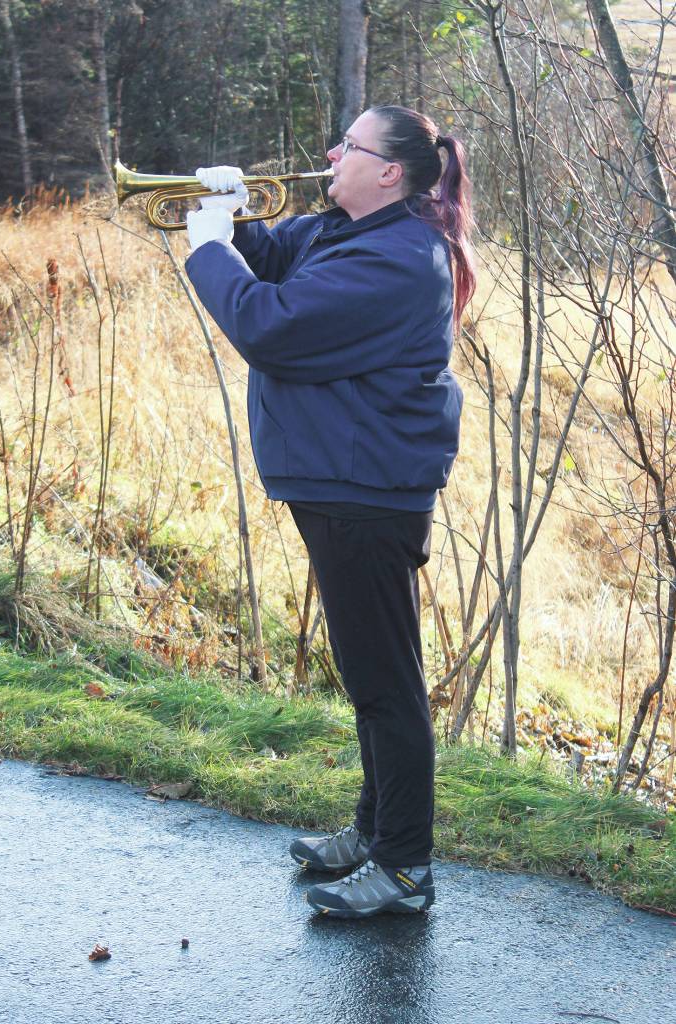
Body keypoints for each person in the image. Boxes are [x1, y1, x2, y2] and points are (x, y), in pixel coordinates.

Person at [185, 105, 476, 919]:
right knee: (369, 678)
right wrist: (233, 217)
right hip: (341, 483)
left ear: (389, 172)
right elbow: (275, 255)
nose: (329, 153)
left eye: (348, 145)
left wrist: (208, 250)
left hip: (365, 493)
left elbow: (267, 325)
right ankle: (373, 831)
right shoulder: (345, 232)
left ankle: (406, 869)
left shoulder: (397, 261)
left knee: (385, 686)